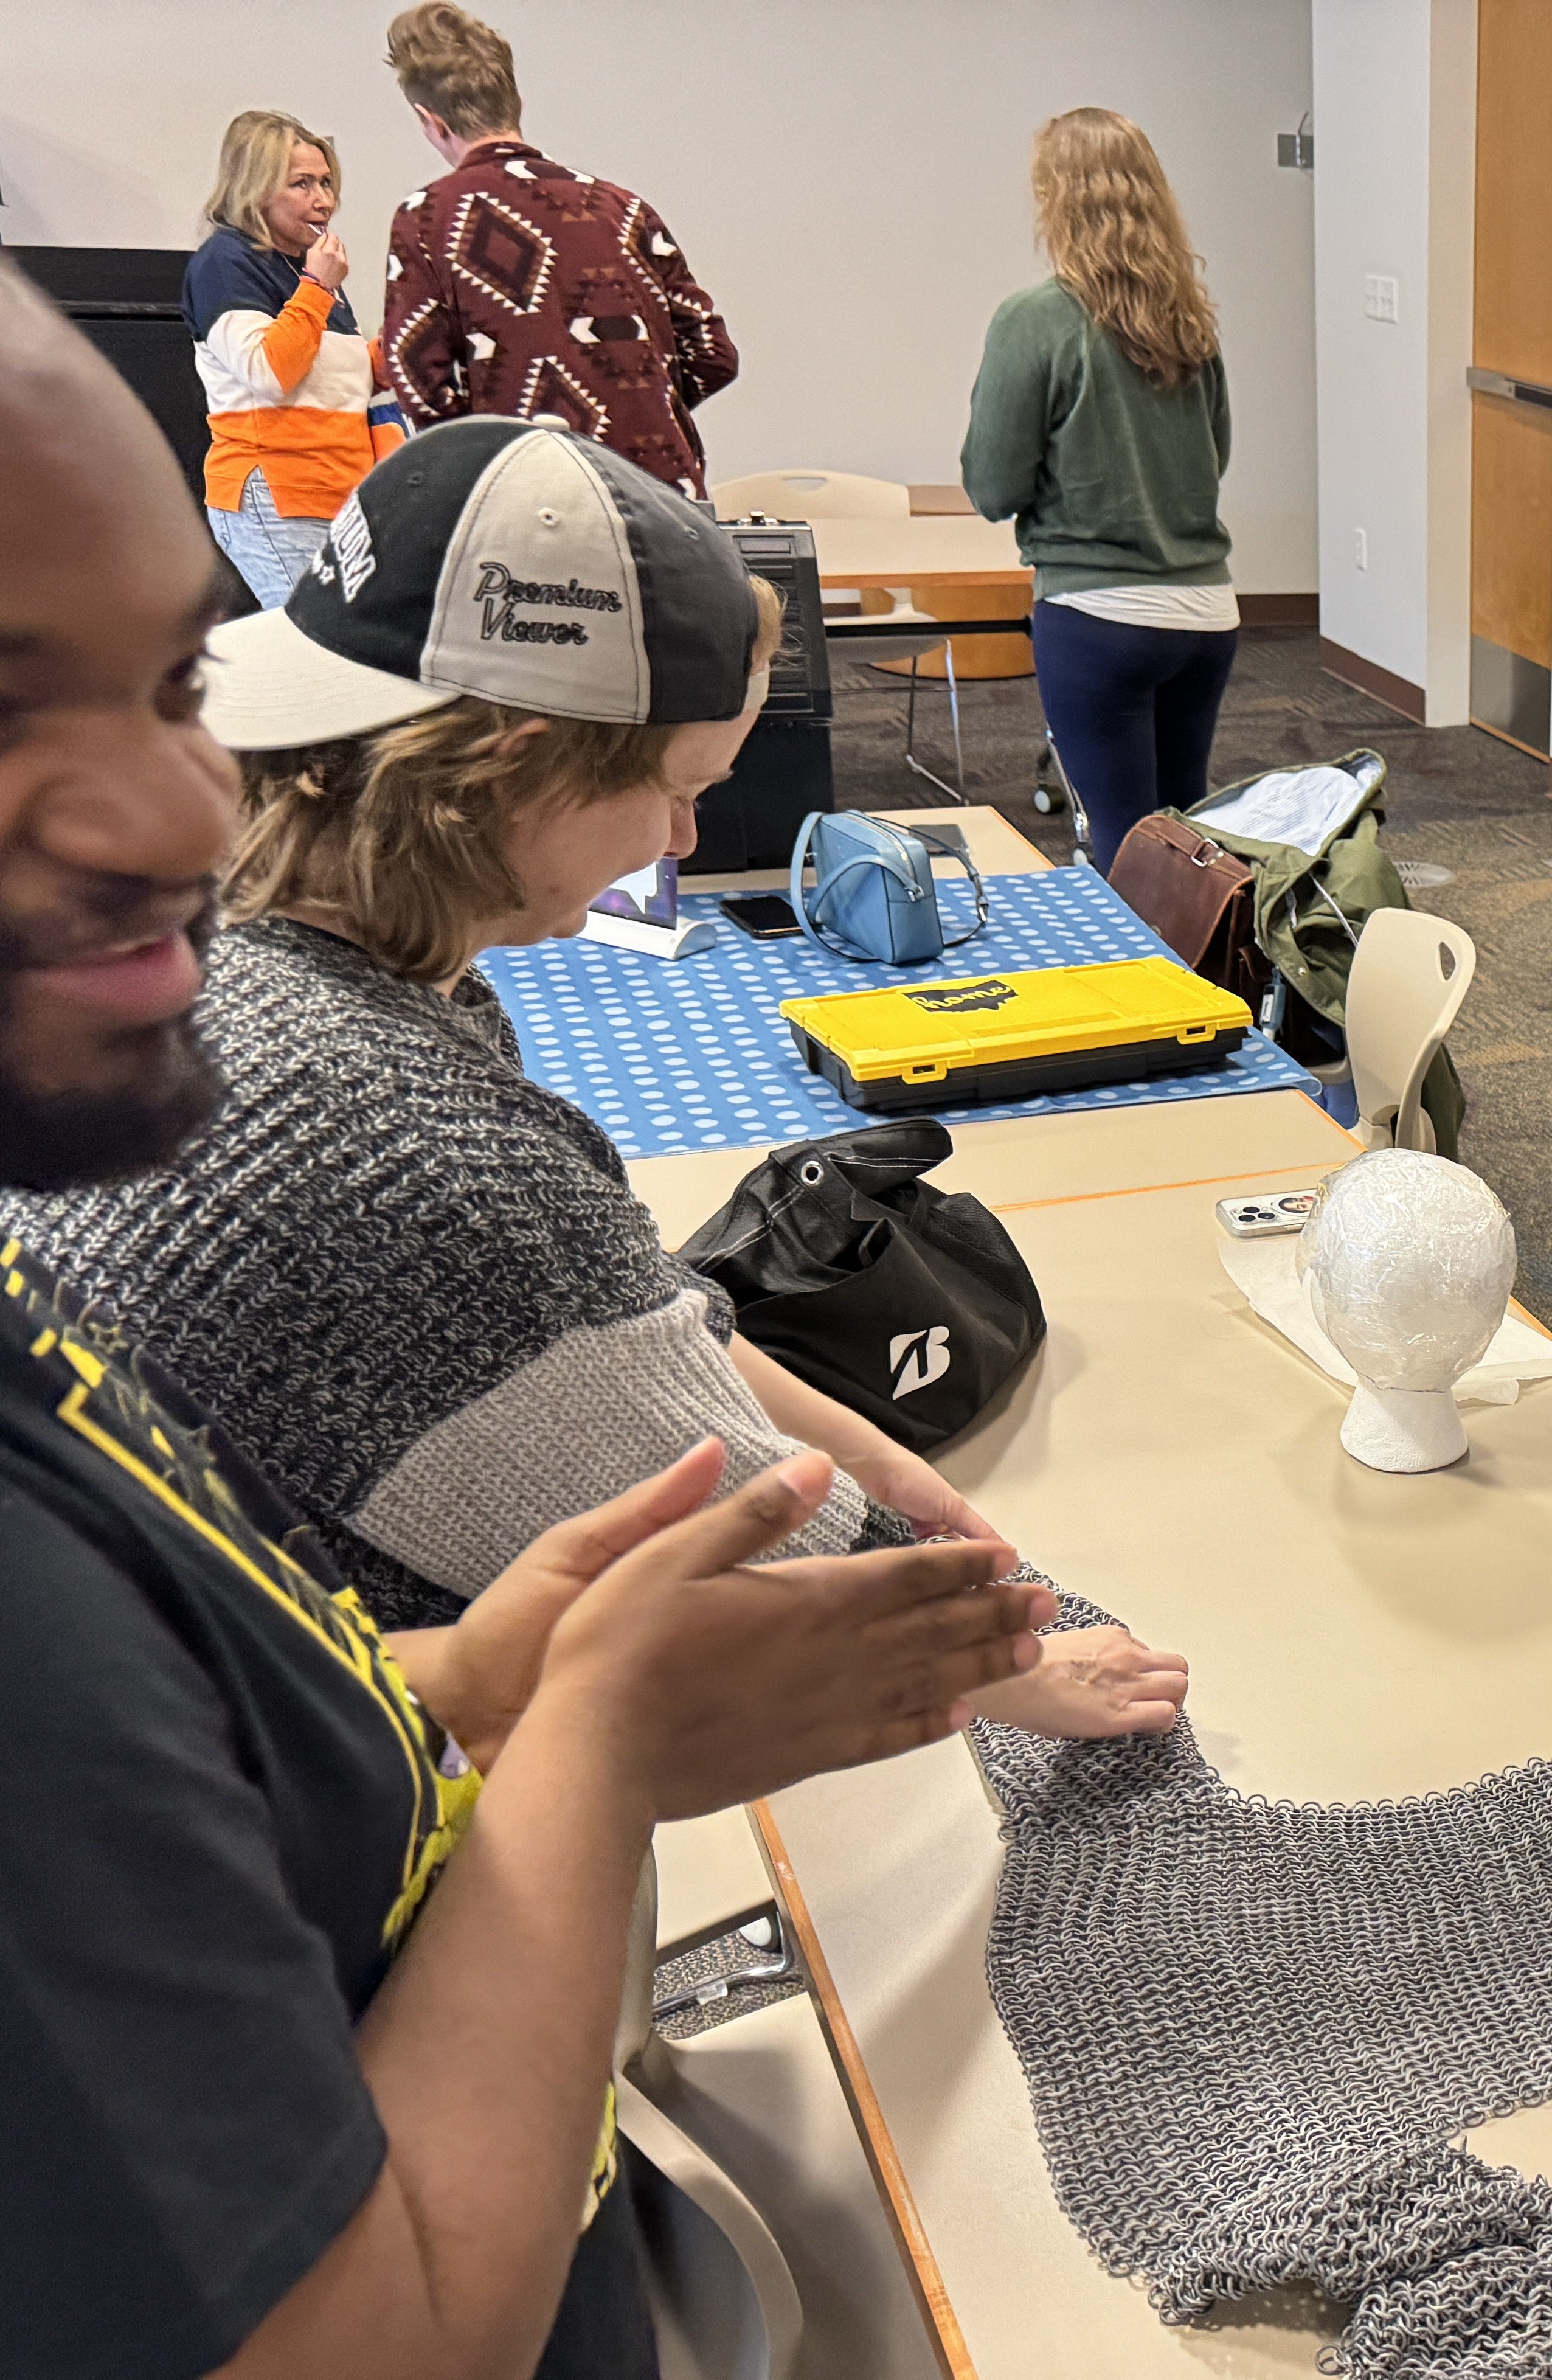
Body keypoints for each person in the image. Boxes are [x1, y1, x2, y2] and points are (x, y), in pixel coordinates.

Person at [0, 252, 1056, 2379]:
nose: (191, 808)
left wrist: (459, 1674)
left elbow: (200, 1703)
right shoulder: (377, 1148)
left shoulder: (323, 1019)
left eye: (174, 688)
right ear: (490, 761)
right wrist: (587, 1735)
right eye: (21, 707)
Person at [5, 414, 1186, 1744]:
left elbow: (628, 1329)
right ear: (515, 764)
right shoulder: (401, 1153)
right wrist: (1018, 1670)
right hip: (328, 1808)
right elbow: (727, 1538)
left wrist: (876, 1460)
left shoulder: (273, 953)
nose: (683, 839)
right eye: (681, 790)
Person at [964, 107, 1238, 870]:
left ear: (1055, 199)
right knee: (1186, 840)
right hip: (1207, 613)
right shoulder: (1190, 321)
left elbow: (992, 484)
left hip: (1097, 614)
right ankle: (1206, 981)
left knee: (1121, 838)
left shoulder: (1035, 319)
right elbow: (1212, 460)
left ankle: (1144, 986)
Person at [377, 4, 738, 499]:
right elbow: (713, 354)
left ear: (430, 121)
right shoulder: (625, 209)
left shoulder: (426, 218)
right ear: (517, 102)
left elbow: (421, 384)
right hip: (666, 500)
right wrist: (633, 416)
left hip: (532, 503)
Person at [186, 110, 401, 608]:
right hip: (278, 493)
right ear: (255, 188)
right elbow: (269, 372)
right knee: (306, 649)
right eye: (302, 184)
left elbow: (340, 381)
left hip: (339, 492)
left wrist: (405, 339)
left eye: (326, 182)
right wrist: (318, 286)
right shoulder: (226, 263)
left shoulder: (310, 272)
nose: (323, 199)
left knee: (341, 651)